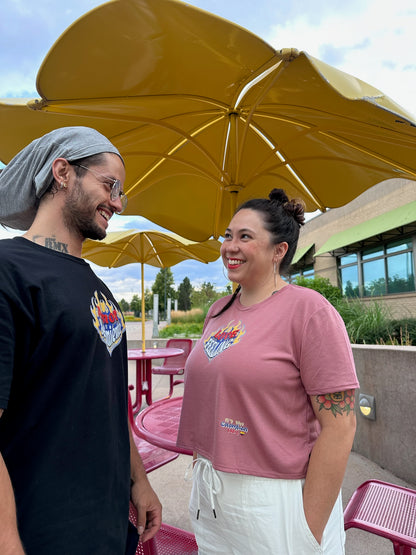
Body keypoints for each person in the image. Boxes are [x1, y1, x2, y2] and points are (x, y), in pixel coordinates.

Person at [0, 126, 162, 555]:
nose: (118, 202)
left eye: (121, 192)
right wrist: (6, 540)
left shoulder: (97, 287)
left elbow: (109, 398)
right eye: (110, 185)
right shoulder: (8, 271)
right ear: (63, 173)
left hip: (106, 526)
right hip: (40, 531)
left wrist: (139, 480)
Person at [177, 188, 359, 554]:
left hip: (275, 499)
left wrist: (308, 529)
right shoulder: (218, 311)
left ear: (279, 251)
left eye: (245, 236)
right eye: (227, 235)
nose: (230, 245)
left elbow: (341, 426)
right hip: (212, 496)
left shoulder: (309, 312)